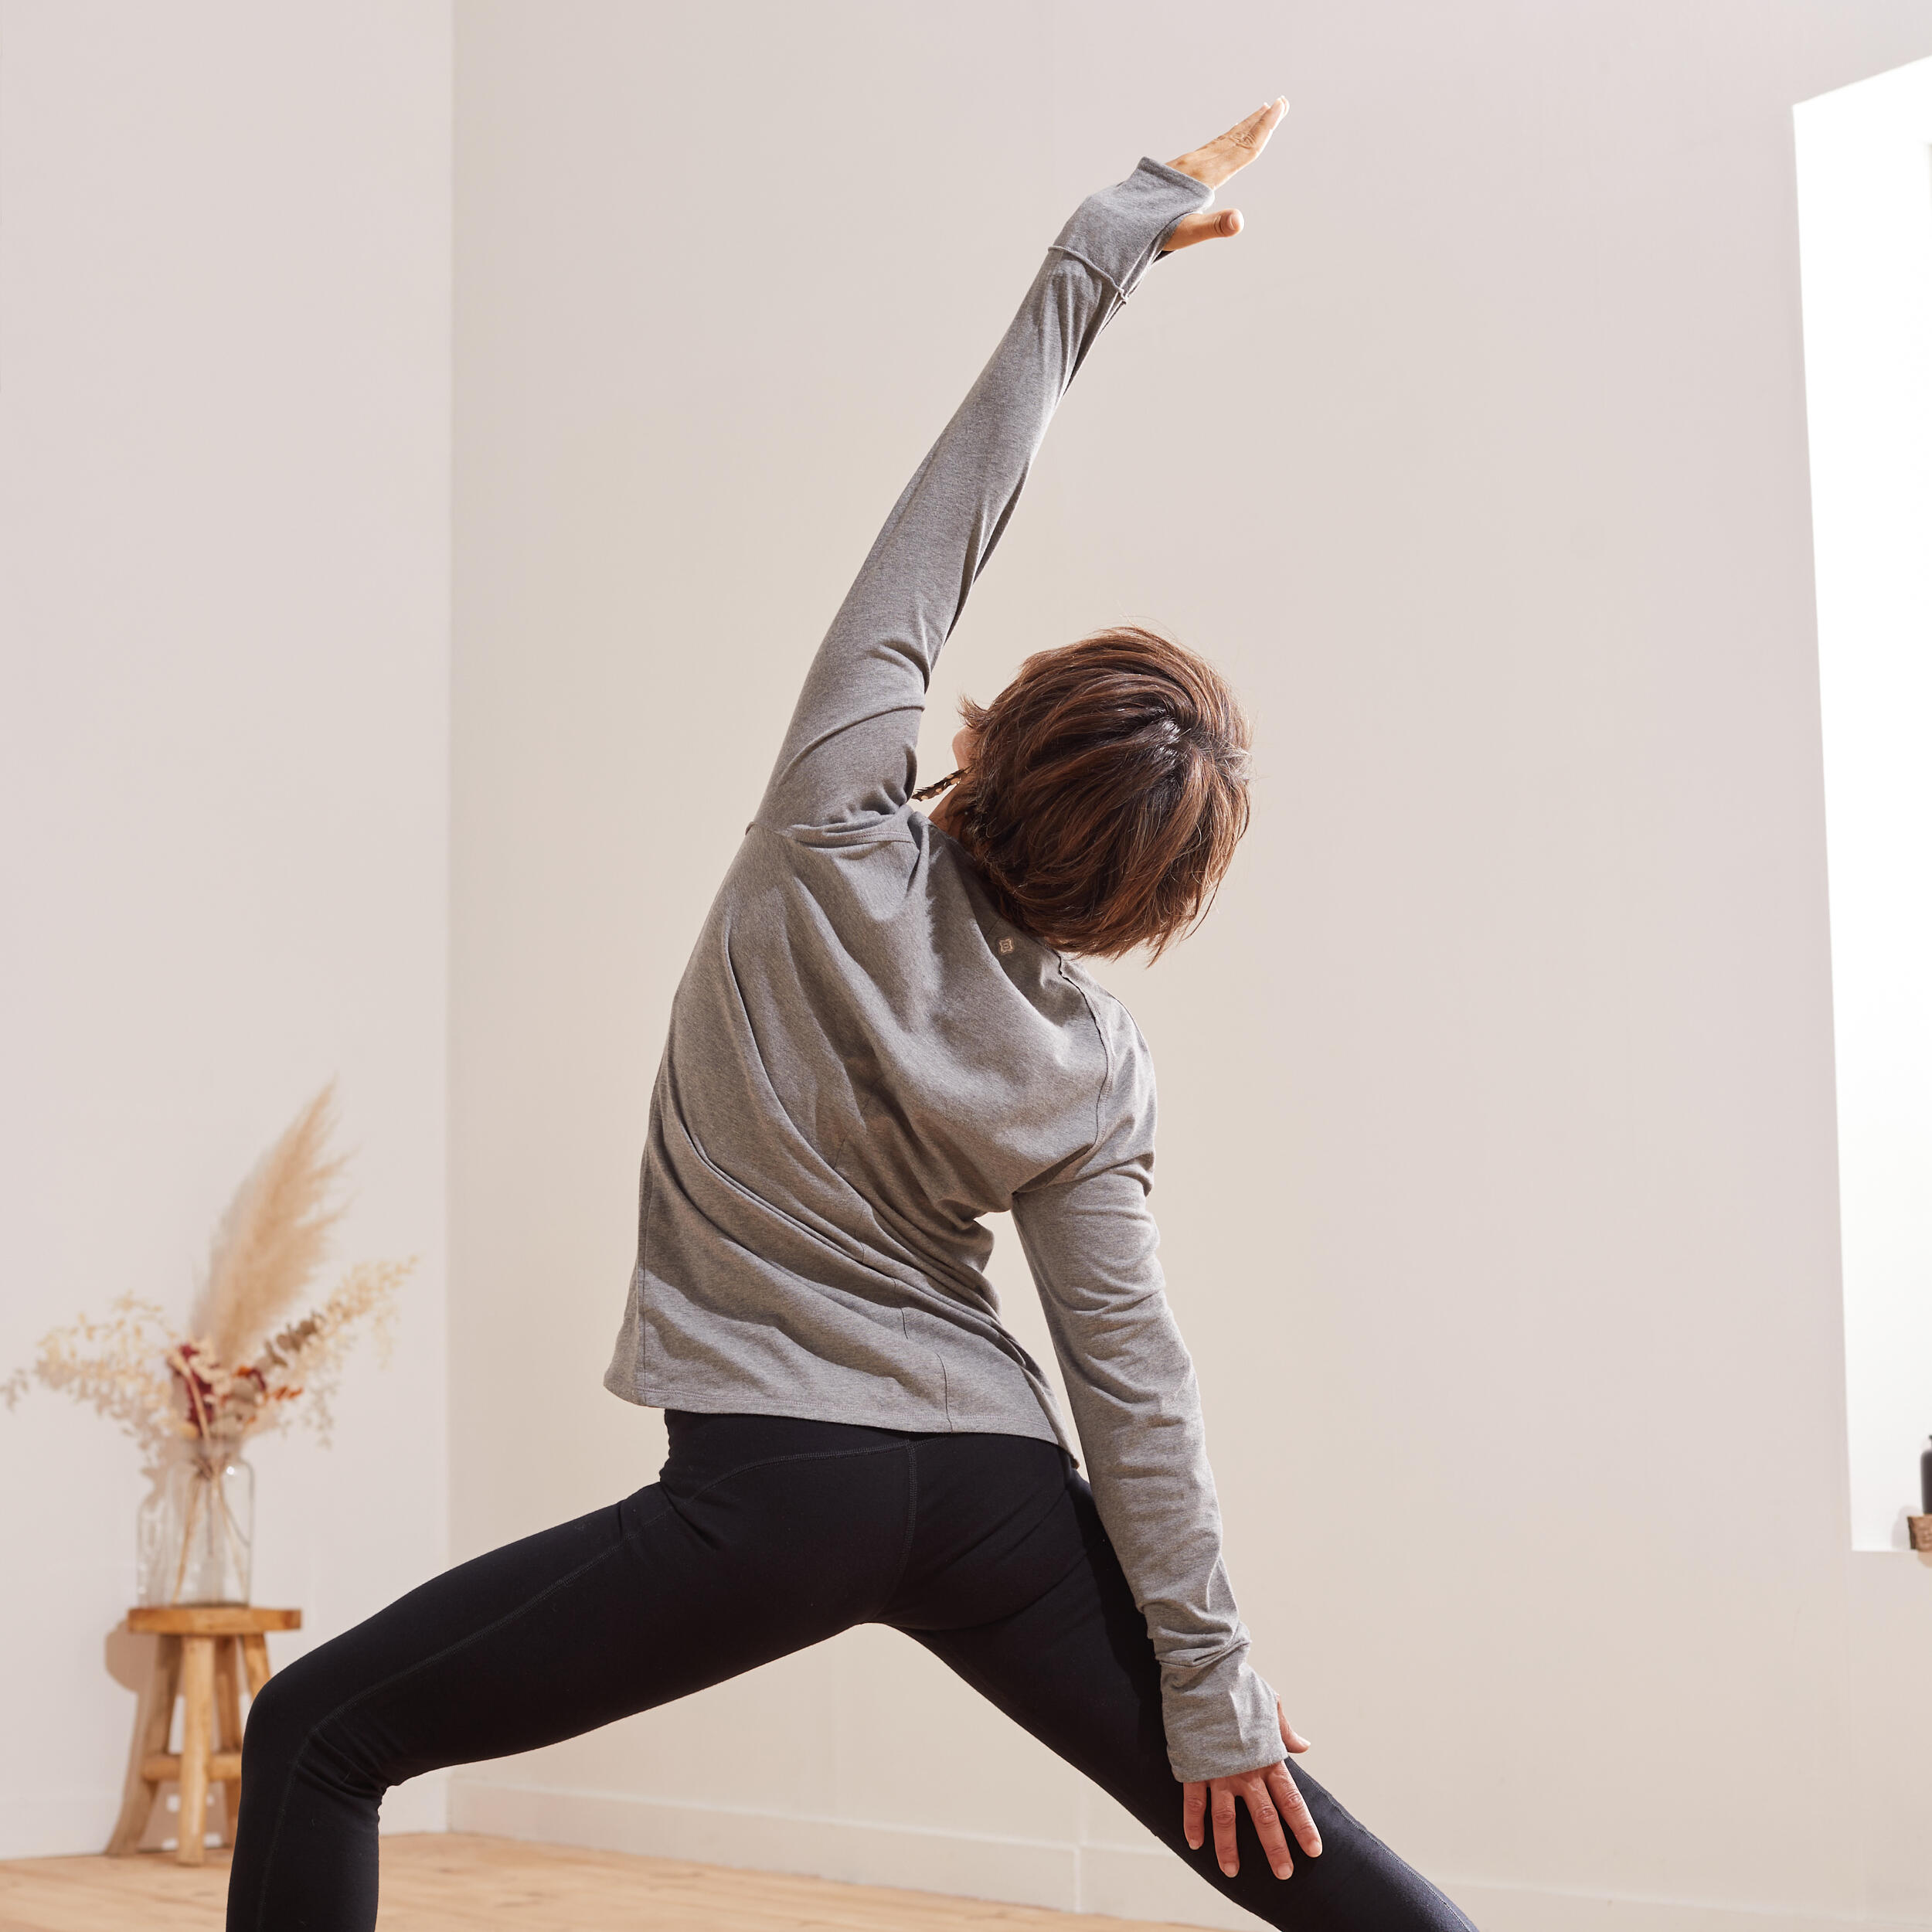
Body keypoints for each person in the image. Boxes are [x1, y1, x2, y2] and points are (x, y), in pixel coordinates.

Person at [227, 101, 1476, 1932]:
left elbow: (949, 509)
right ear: (1149, 908)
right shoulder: (1092, 1071)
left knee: (318, 1733)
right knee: (1279, 1828)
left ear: (996, 723)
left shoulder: (832, 823)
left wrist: (1107, 241)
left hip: (777, 1486)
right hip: (992, 1492)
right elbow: (1133, 1382)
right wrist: (1205, 1678)